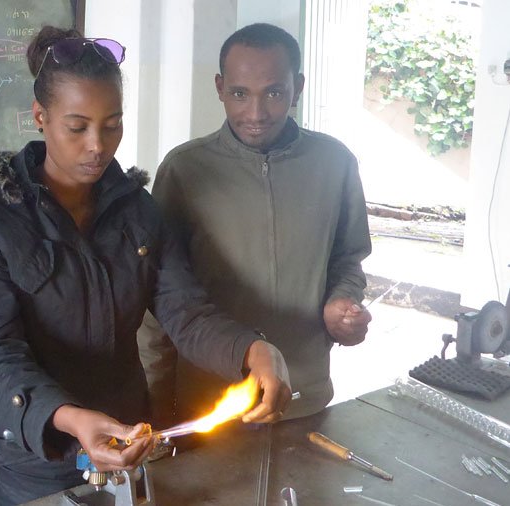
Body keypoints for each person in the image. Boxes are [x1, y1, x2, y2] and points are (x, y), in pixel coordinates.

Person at [0, 26, 293, 505]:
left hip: (127, 442)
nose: (98, 144)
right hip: (32, 459)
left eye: (112, 124)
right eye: (78, 127)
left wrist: (252, 350)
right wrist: (70, 418)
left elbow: (186, 311)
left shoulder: (139, 211)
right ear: (39, 117)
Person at [138, 23, 372, 424]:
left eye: (274, 93)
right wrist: (156, 405)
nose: (256, 114)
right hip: (211, 405)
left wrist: (341, 304)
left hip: (305, 397)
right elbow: (159, 299)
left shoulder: (335, 164)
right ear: (219, 87)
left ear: (297, 87)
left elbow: (348, 258)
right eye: (239, 94)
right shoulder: (185, 171)